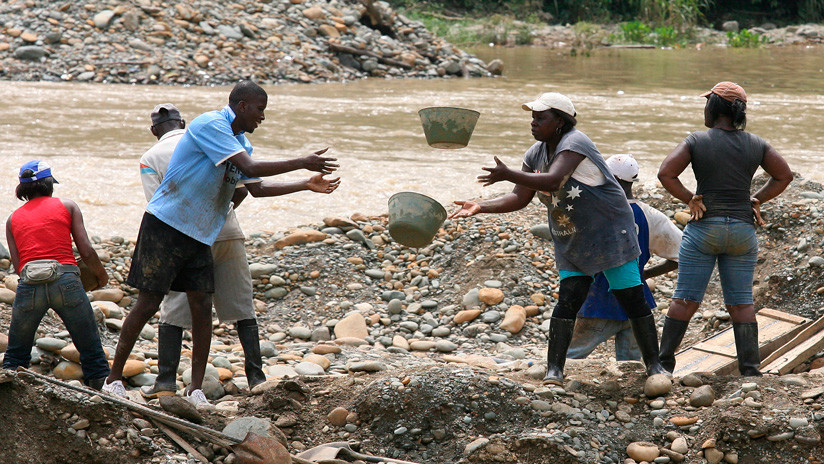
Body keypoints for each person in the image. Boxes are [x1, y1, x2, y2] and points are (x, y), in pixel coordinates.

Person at [102, 80, 339, 405]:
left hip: (201, 232)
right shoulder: (209, 124)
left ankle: (196, 389)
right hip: (166, 225)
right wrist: (301, 161)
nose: (262, 118)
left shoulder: (240, 143)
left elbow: (254, 187)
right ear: (242, 106)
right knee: (148, 302)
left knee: (201, 307)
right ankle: (113, 379)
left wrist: (305, 184)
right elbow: (251, 168)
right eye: (260, 110)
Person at [451, 92, 667, 385]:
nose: (534, 122)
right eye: (532, 117)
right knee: (568, 299)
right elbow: (519, 198)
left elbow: (553, 180)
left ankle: (654, 367)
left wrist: (507, 173)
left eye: (541, 118)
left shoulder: (575, 143)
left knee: (631, 298)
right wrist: (481, 206)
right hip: (574, 237)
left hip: (609, 233)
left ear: (561, 122)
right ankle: (555, 370)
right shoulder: (535, 153)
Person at [657, 81, 792, 377]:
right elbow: (784, 176)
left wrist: (689, 198)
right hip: (743, 231)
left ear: (715, 107)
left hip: (705, 228)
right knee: (741, 303)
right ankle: (750, 371)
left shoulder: (696, 140)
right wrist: (756, 198)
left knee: (685, 299)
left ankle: (663, 366)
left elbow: (666, 173)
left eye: (707, 103)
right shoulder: (757, 144)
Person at [3, 161, 110, 389]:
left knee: (15, 355)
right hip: (66, 282)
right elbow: (87, 251)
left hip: (30, 284)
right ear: (49, 184)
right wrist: (102, 277)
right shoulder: (68, 206)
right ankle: (99, 391)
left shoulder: (13, 219)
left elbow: (18, 265)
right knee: (90, 347)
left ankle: (10, 396)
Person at [567, 154, 682, 361]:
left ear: (610, 179)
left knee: (567, 357)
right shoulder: (651, 216)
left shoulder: (594, 212)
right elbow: (682, 255)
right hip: (638, 303)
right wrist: (645, 274)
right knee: (633, 366)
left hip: (599, 303)